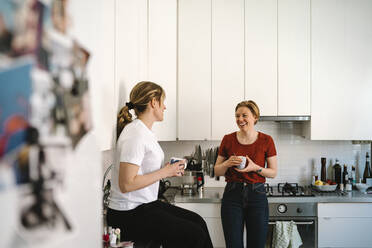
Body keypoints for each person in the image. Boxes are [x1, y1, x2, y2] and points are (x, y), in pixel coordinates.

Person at [107, 81, 213, 248]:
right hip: (127, 213)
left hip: (144, 206)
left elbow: (142, 169)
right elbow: (126, 184)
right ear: (153, 102)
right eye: (162, 102)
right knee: (194, 235)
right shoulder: (135, 134)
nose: (165, 107)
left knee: (198, 222)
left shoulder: (145, 132)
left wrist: (168, 169)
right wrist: (164, 172)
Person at [214, 100, 278, 248]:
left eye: (244, 115)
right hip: (232, 195)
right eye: (237, 116)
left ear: (255, 117)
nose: (240, 119)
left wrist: (255, 168)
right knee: (233, 244)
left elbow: (273, 172)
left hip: (257, 194)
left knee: (257, 244)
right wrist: (228, 163)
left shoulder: (266, 140)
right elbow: (217, 170)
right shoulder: (228, 139)